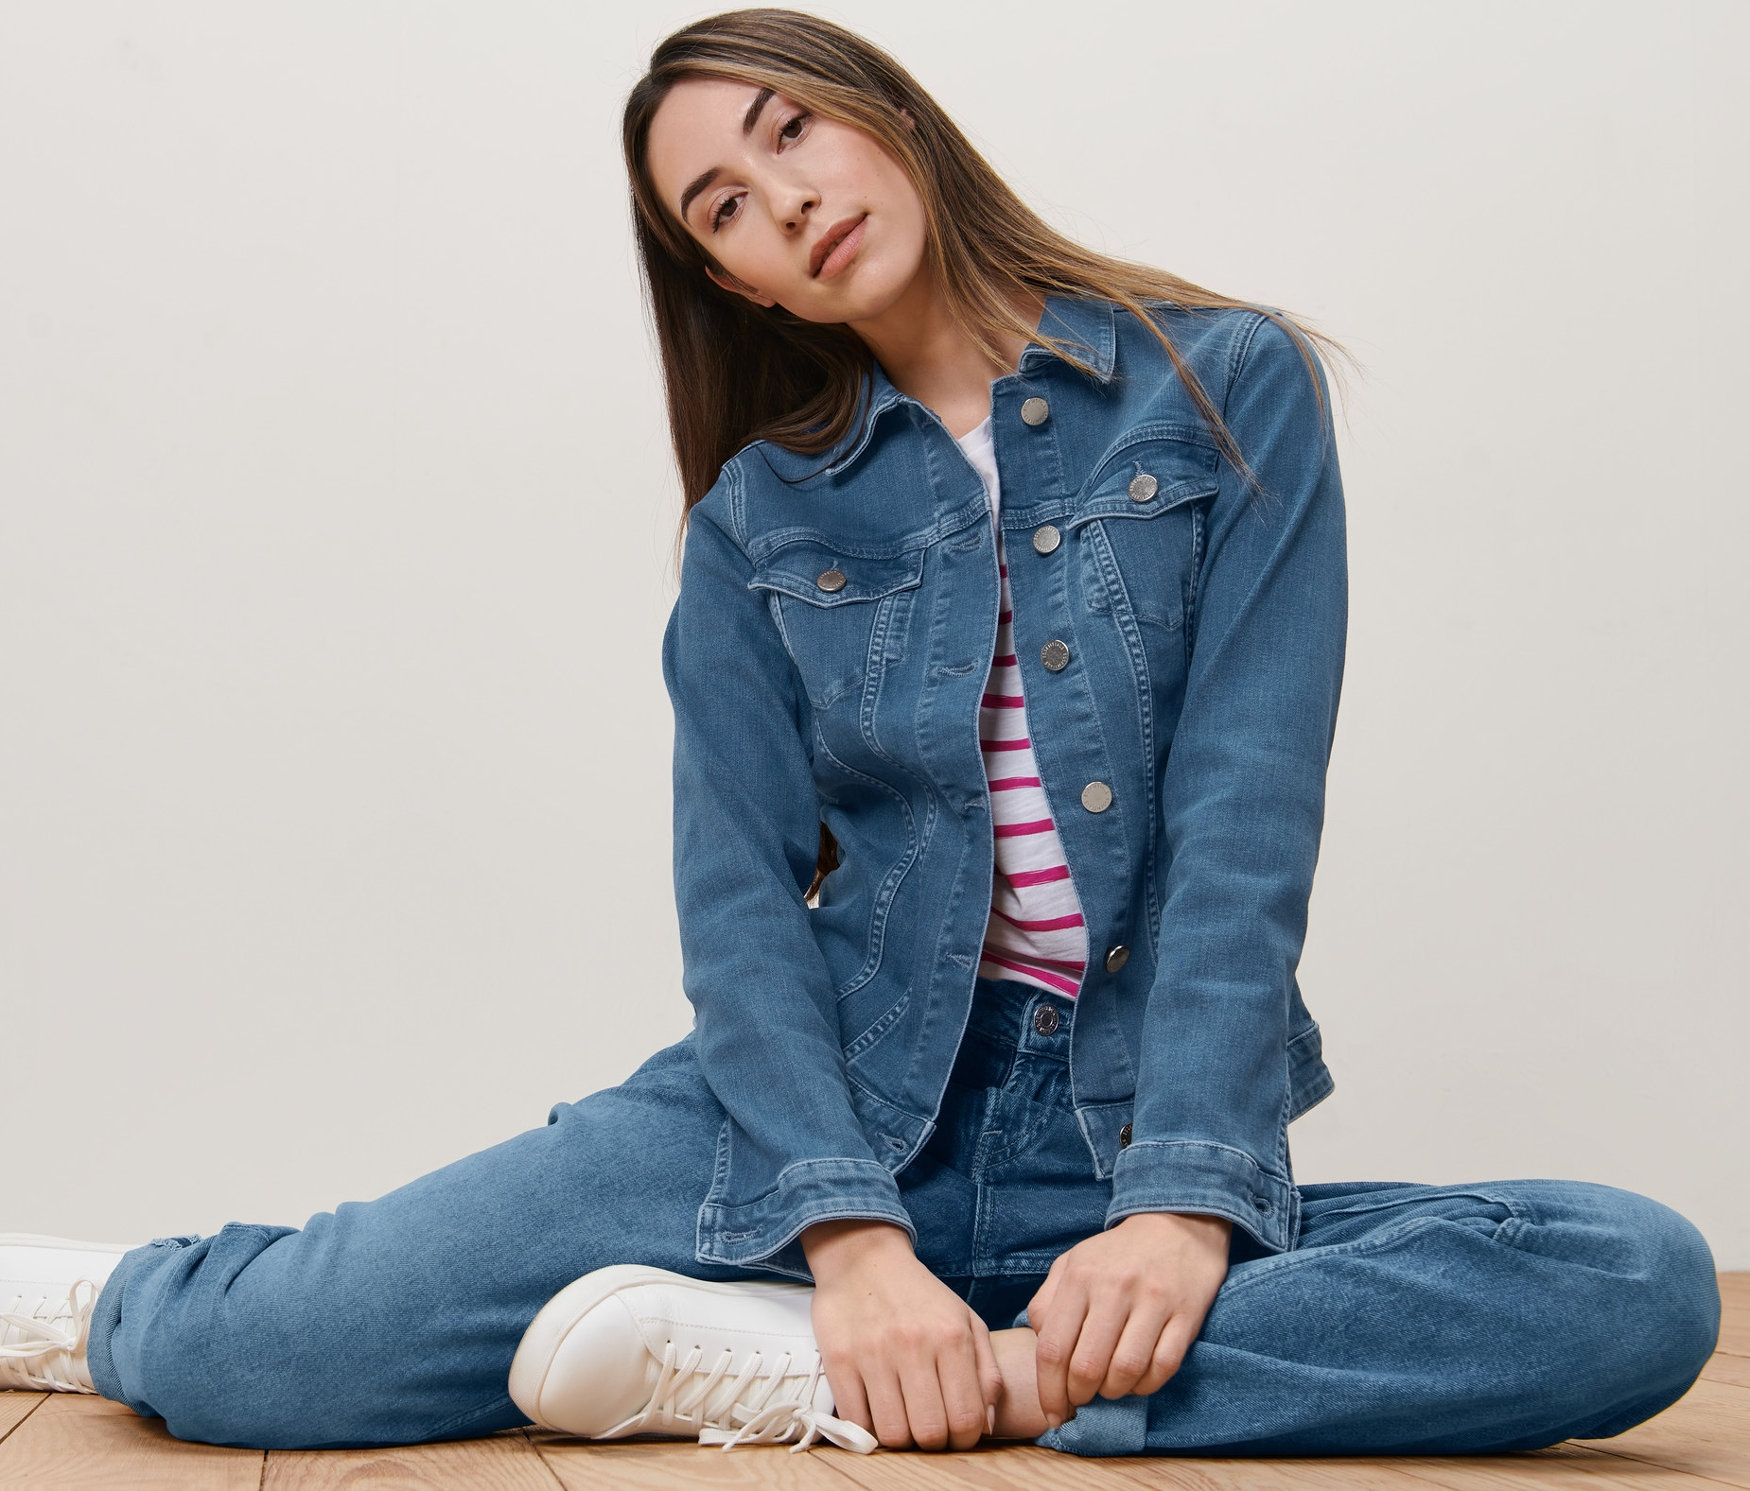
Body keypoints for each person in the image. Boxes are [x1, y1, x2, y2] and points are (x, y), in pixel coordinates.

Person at [0, 7, 1722, 1459]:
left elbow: (1243, 817)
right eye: (723, 209)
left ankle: (854, 1376)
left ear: (888, 115)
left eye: (789, 133)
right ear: (734, 286)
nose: (783, 204)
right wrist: (842, 1227)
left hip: (1113, 1127)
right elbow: (738, 903)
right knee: (263, 1364)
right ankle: (110, 1298)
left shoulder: (1219, 386)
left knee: (1630, 1282)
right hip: (818, 1106)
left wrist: (1183, 1203)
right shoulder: (763, 516)